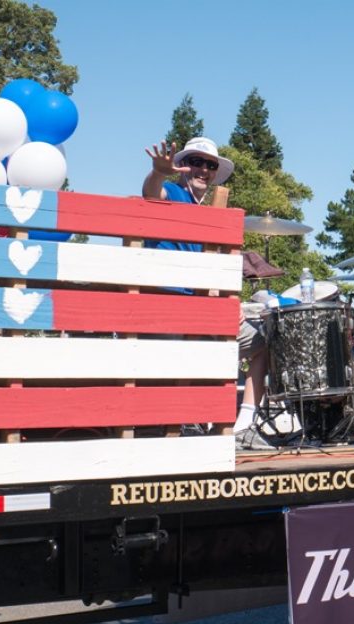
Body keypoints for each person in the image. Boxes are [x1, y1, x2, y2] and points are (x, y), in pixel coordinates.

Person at [142, 138, 270, 450]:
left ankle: (245, 424)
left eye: (210, 165)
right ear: (184, 167)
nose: (203, 169)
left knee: (261, 342)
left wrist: (230, 301)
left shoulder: (216, 211)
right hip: (169, 306)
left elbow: (218, 269)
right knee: (186, 357)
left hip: (204, 310)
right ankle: (186, 422)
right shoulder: (173, 192)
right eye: (197, 163)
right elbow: (151, 192)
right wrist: (158, 172)